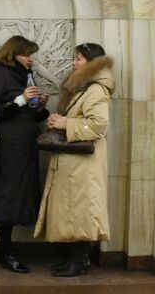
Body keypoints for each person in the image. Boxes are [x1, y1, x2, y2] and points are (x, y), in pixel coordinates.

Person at [36, 43, 113, 278]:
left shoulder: (96, 90)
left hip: (84, 163)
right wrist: (60, 119)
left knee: (82, 209)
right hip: (75, 161)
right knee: (72, 207)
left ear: (91, 63)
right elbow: (80, 117)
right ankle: (73, 258)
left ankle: (81, 261)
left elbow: (99, 125)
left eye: (78, 59)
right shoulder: (85, 88)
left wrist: (65, 123)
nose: (73, 62)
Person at [0, 35, 48, 273]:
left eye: (32, 55)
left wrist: (39, 105)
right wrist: (21, 100)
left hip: (26, 145)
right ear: (12, 54)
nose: (31, 59)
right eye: (27, 54)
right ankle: (6, 250)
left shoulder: (25, 75)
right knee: (6, 196)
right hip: (7, 148)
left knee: (21, 195)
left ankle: (8, 250)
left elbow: (35, 115)